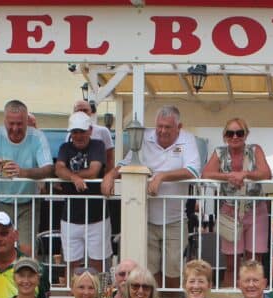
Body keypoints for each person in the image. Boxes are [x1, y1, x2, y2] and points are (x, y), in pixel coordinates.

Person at [101, 106, 201, 286]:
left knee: (173, 269)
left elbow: (193, 171)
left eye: (168, 127)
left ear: (179, 127)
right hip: (145, 218)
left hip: (175, 219)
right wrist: (110, 175)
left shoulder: (188, 139)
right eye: (159, 126)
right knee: (149, 270)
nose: (162, 131)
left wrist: (161, 176)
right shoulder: (144, 137)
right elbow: (126, 163)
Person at [0, 99, 54, 256]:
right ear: (4, 121)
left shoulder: (37, 137)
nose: (15, 128)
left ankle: (26, 279)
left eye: (20, 124)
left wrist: (22, 172)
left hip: (28, 202)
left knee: (27, 250)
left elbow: (48, 169)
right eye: (11, 123)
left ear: (26, 121)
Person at [201, 117, 272, 282]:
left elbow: (265, 173)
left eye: (239, 133)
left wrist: (245, 174)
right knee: (231, 263)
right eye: (230, 133)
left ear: (246, 135)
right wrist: (228, 176)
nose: (235, 137)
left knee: (254, 262)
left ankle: (254, 297)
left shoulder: (255, 150)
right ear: (225, 136)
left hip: (255, 208)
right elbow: (206, 173)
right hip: (230, 210)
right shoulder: (220, 152)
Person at [55, 111, 111, 275]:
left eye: (81, 131)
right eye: (74, 132)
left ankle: (101, 297)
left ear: (90, 130)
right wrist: (74, 178)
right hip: (70, 216)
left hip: (97, 216)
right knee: (71, 264)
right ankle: (72, 296)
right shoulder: (65, 147)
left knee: (98, 264)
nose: (78, 136)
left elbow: (94, 170)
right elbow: (58, 168)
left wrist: (69, 175)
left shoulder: (97, 145)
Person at [67, 99, 115, 173]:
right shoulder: (69, 135)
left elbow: (110, 158)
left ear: (91, 112)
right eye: (79, 110)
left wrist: (107, 177)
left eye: (85, 110)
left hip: (98, 180)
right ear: (74, 113)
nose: (82, 113)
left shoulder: (103, 131)